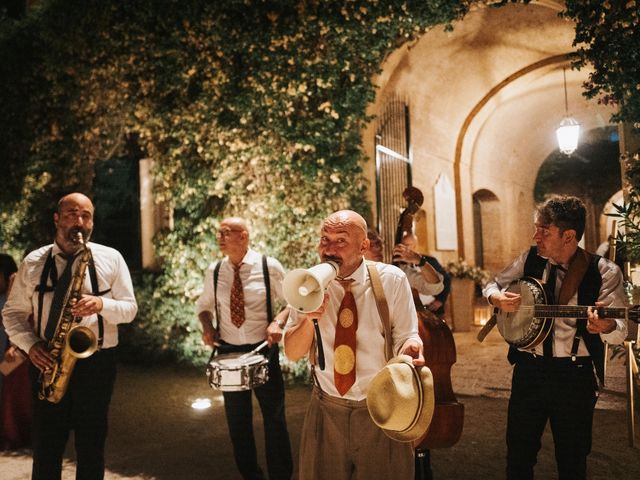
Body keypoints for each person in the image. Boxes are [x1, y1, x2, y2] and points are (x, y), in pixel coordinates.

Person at [482, 195, 627, 480]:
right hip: (529, 371)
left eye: (544, 231)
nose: (536, 236)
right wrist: (496, 297)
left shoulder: (605, 272)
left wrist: (607, 326)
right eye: (536, 229)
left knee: (572, 460)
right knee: (518, 457)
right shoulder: (529, 260)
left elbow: (619, 330)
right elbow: (493, 283)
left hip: (574, 377)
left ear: (569, 235)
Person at [2, 192, 138, 479]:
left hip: (97, 364)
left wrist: (101, 304)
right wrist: (31, 345)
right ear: (57, 218)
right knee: (47, 448)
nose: (79, 221)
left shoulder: (110, 258)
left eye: (86, 215)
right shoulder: (34, 261)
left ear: (92, 221)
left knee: (91, 446)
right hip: (46, 360)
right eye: (71, 214)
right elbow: (12, 314)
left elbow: (129, 309)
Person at [284, 210, 425, 480]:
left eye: (341, 240)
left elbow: (407, 335)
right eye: (325, 239)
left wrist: (411, 349)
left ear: (364, 246)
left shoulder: (391, 280)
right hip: (326, 408)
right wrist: (306, 319)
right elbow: (292, 352)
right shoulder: (306, 284)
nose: (330, 249)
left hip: (381, 407)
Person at [196, 216, 293, 480]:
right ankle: (251, 475)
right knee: (238, 425)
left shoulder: (268, 266)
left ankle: (281, 476)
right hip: (228, 353)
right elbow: (203, 307)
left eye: (227, 232)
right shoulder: (214, 270)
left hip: (263, 350)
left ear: (244, 236)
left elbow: (292, 303)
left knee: (274, 420)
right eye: (219, 232)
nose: (221, 237)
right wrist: (207, 327)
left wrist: (277, 323)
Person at [0, 252, 33, 451]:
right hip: (9, 347)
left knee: (13, 393)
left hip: (17, 348)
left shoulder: (17, 286)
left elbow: (22, 318)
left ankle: (14, 435)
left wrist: (15, 346)